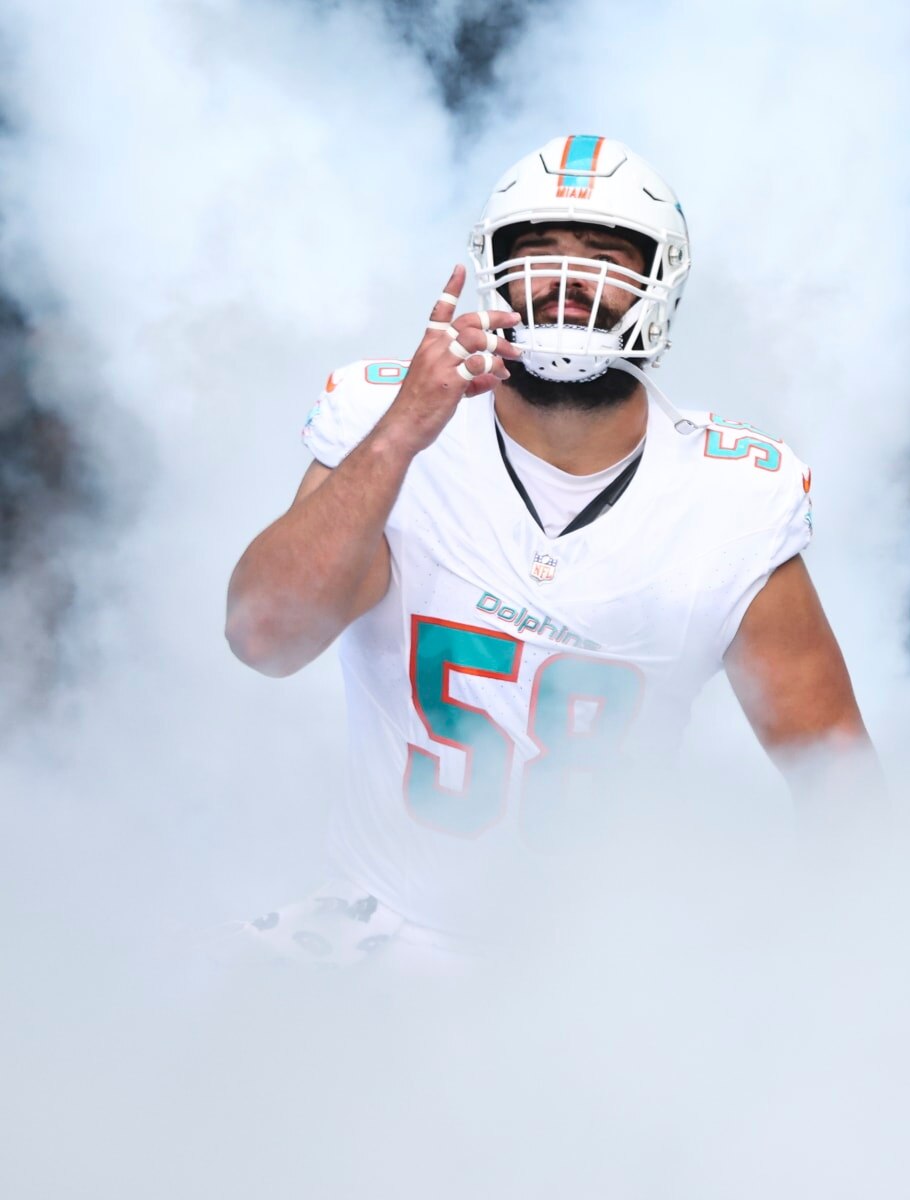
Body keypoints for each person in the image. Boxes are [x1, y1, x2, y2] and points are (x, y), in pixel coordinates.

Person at [223, 135, 870, 963]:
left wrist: (830, 974)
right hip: (371, 927)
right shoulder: (387, 420)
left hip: (588, 976)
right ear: (496, 269)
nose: (567, 280)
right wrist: (398, 438)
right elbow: (262, 638)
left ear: (660, 280)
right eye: (539, 252)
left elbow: (835, 774)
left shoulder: (734, 495)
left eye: (604, 255)